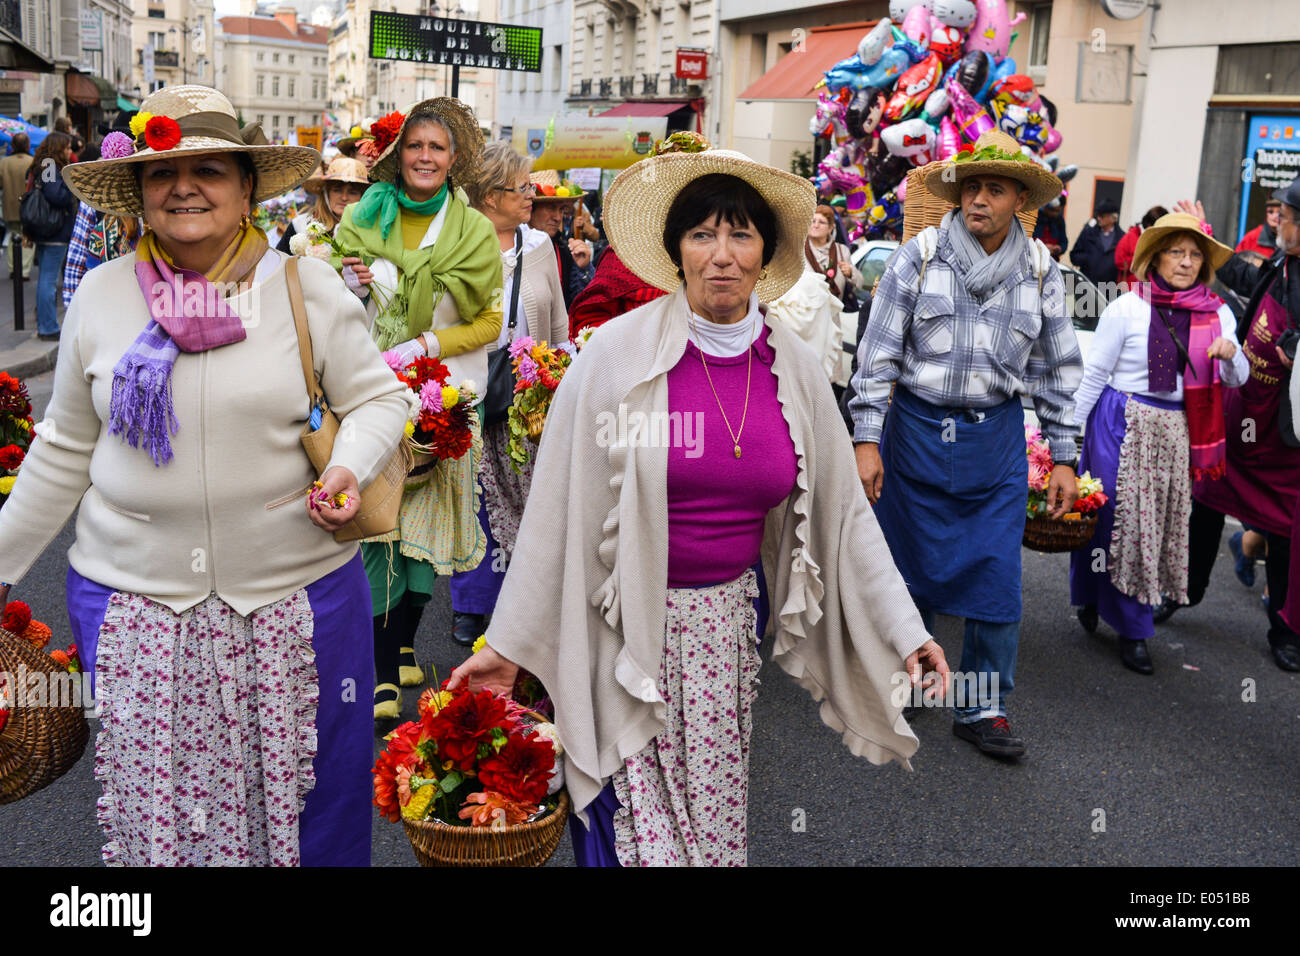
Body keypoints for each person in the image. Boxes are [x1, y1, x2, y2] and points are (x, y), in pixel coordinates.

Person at [447, 145, 950, 867]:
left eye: (740, 234)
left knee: (707, 843)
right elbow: (553, 518)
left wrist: (905, 630)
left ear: (765, 254)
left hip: (723, 638)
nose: (721, 254)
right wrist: (508, 647)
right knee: (635, 844)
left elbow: (844, 521)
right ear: (676, 249)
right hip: (619, 631)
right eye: (702, 234)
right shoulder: (614, 357)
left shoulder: (796, 371)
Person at [0, 85, 409, 865]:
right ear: (141, 194)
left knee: (310, 806)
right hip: (135, 606)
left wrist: (350, 469)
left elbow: (380, 402)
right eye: (163, 174)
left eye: (211, 170)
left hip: (299, 600)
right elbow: (62, 450)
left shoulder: (305, 286)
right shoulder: (100, 294)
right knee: (159, 811)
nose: (184, 187)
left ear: (247, 186)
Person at [848, 130, 1081, 759]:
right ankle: (918, 679)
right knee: (906, 564)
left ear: (1019, 201)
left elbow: (1058, 368)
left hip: (996, 440)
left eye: (994, 189)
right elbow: (876, 357)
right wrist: (866, 439)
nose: (979, 198)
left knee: (996, 577)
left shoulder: (1041, 271)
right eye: (972, 186)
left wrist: (1063, 457)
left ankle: (982, 705)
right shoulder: (918, 257)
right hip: (915, 433)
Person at [333, 98, 503, 720]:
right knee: (380, 528)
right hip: (370, 392)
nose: (425, 157)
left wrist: (426, 342)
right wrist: (349, 285)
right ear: (398, 156)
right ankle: (382, 670)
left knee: (425, 541)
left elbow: (489, 322)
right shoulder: (362, 217)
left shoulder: (476, 233)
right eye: (415, 146)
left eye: (437, 148)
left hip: (445, 396)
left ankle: (404, 639)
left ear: (453, 160)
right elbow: (327, 294)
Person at [1070, 213, 1245, 674]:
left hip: (1176, 431)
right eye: (1177, 252)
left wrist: (1231, 356)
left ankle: (1128, 618)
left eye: (1194, 255)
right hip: (1120, 422)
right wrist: (1069, 436)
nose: (1186, 262)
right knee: (1114, 521)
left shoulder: (1218, 311)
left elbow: (1238, 375)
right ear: (1156, 258)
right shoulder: (1128, 307)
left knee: (1154, 528)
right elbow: (1095, 376)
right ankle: (1124, 622)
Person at [1162, 177, 1300, 672]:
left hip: (1285, 431)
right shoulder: (1282, 261)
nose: (1277, 219)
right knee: (1207, 500)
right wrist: (1204, 235)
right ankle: (1185, 590)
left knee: (1286, 529)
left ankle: (1285, 628)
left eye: (1286, 213)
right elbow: (1243, 277)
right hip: (1243, 409)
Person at [446, 142, 569, 646]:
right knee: (474, 496)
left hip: (530, 394)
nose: (532, 195)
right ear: (490, 197)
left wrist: (561, 374)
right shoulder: (454, 244)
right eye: (522, 187)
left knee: (532, 496)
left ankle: (528, 601)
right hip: (472, 387)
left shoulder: (540, 246)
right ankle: (471, 607)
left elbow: (558, 319)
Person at [27, 131, 79, 341]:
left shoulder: (41, 163)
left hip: (46, 229)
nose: (69, 151)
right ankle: (48, 327)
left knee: (46, 279)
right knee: (48, 280)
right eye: (66, 147)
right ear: (58, 148)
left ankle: (45, 321)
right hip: (54, 229)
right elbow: (54, 194)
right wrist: (72, 190)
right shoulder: (49, 165)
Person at [276, 155, 370, 253]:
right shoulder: (301, 225)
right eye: (337, 190)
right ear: (326, 193)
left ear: (362, 196)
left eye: (352, 192)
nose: (344, 197)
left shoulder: (371, 230)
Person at [528, 169, 593, 306]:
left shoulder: (564, 251)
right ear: (530, 208)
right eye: (551, 208)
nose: (558, 217)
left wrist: (583, 268)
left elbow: (576, 303)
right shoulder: (511, 249)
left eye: (561, 209)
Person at [1, 131, 34, 280]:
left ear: (13, 145)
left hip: (10, 205)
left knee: (13, 235)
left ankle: (13, 268)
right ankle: (24, 271)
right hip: (29, 206)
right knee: (26, 237)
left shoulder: (4, 162)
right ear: (28, 145)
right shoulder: (33, 161)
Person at [1071, 197, 1121, 294]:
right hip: (1086, 289)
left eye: (1102, 216)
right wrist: (1089, 259)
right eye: (1098, 215)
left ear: (1113, 218)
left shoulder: (1122, 238)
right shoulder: (1087, 233)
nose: (1098, 218)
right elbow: (1074, 256)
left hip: (1109, 292)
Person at [1115, 205, 1169, 288]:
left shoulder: (1162, 241)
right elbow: (1119, 261)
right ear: (1149, 224)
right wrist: (1142, 260)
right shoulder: (1130, 236)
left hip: (1151, 288)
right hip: (1131, 288)